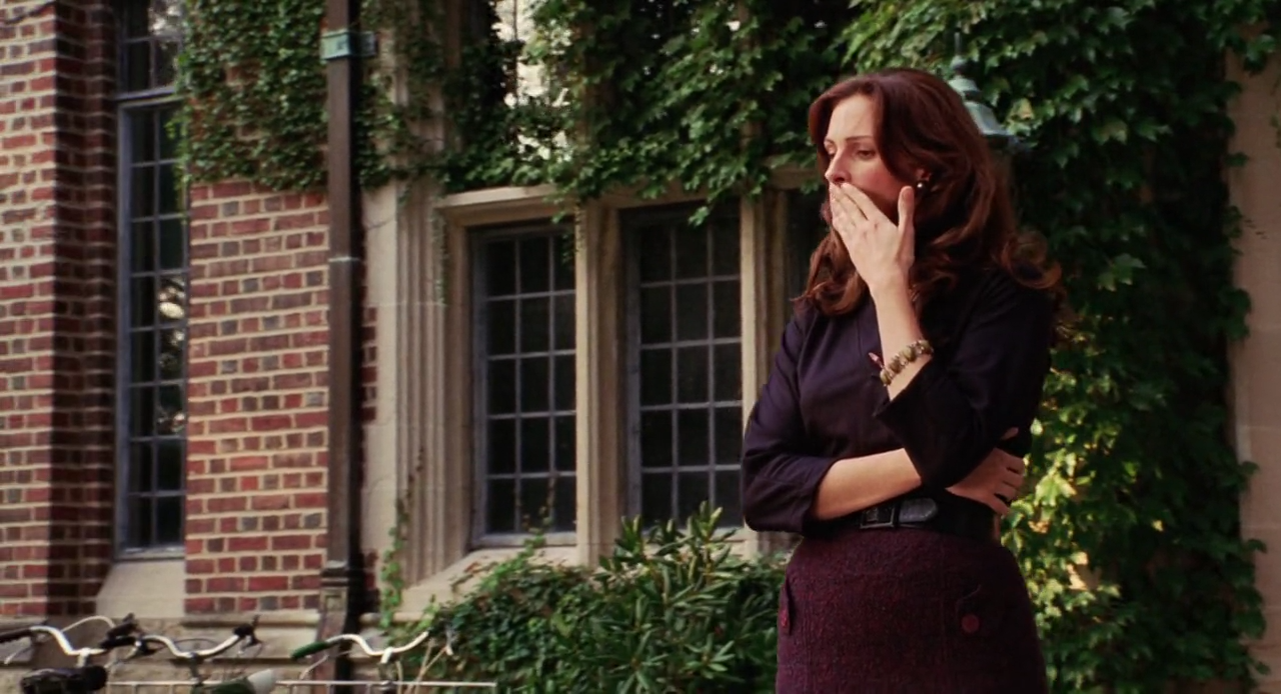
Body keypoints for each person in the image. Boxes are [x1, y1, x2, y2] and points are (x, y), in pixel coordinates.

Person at [740, 66, 1064, 693]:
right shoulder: (821, 310)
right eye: (830, 151)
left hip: (953, 612)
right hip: (825, 618)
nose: (834, 173)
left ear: (927, 167)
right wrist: (930, 467)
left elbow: (946, 443)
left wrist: (889, 286)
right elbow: (763, 488)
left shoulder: (1004, 294)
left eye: (861, 152)